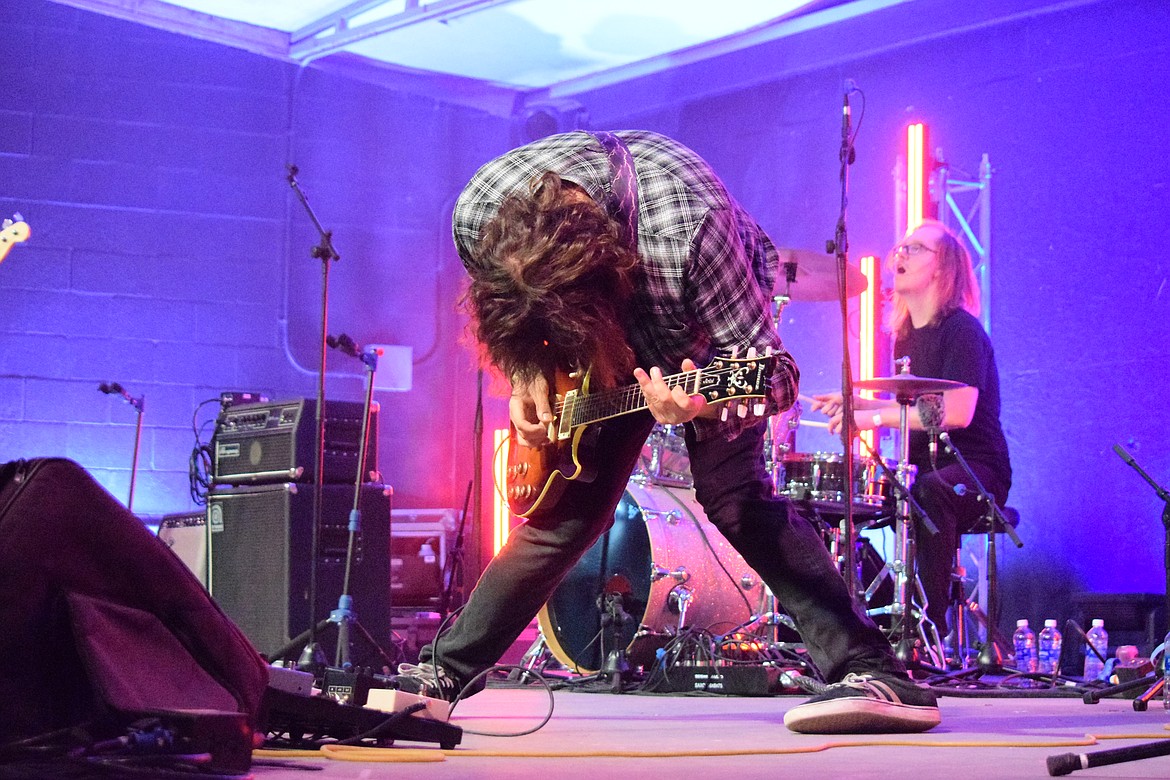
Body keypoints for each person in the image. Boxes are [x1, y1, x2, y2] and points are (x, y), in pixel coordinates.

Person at [392, 129, 940, 734]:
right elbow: (514, 314)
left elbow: (777, 376)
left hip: (696, 348)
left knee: (735, 500)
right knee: (562, 519)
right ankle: (441, 673)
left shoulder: (694, 231)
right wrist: (526, 375)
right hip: (600, 335)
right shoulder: (481, 211)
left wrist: (699, 407)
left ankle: (874, 670)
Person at [812, 219, 1012, 649]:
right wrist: (857, 405)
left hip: (976, 471)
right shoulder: (904, 337)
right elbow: (907, 407)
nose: (898, 253)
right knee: (836, 506)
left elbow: (956, 412)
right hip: (922, 472)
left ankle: (928, 633)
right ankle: (869, 626)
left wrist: (874, 418)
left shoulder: (961, 330)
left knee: (928, 493)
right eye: (899, 246)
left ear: (943, 268)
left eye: (915, 248)